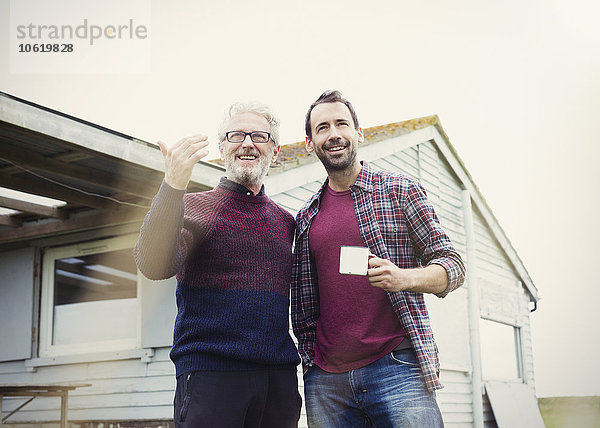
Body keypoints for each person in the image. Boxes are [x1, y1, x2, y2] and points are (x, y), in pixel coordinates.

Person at [291, 90, 466, 427]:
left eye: (342, 123)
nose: (334, 134)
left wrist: (404, 277)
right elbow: (304, 304)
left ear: (359, 133)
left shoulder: (399, 190)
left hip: (397, 369)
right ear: (310, 143)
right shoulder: (306, 217)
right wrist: (310, 364)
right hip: (327, 381)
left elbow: (454, 266)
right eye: (322, 127)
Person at [134, 102, 302, 428]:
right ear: (222, 146)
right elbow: (153, 265)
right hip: (211, 375)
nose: (248, 143)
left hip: (278, 380)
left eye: (259, 136)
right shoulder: (195, 207)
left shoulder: (286, 222)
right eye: (236, 135)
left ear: (275, 149)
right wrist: (173, 184)